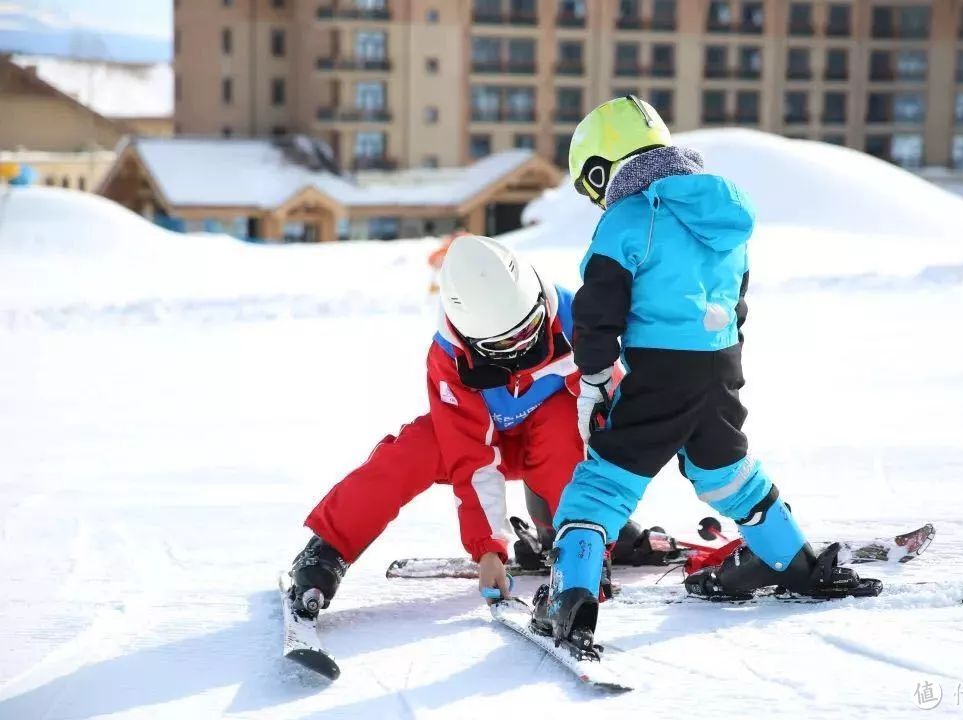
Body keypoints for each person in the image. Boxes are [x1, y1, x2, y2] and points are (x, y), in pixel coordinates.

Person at [531, 96, 870, 650]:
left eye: (590, 188)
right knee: (725, 471)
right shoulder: (724, 212)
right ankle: (795, 561)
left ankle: (570, 597)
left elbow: (597, 312)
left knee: (602, 484)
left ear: (601, 169)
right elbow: (737, 302)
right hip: (720, 364)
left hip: (660, 370)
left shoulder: (630, 216)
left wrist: (593, 382)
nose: (598, 202)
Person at [285, 235, 667, 619]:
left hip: (553, 442)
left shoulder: (578, 320)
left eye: (527, 330)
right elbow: (471, 456)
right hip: (476, 439)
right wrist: (488, 549)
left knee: (565, 421)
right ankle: (327, 549)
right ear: (474, 340)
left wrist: (600, 522)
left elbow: (608, 421)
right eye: (504, 344)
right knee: (413, 449)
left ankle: (572, 535)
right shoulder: (448, 359)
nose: (520, 348)